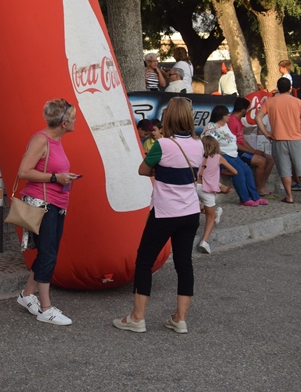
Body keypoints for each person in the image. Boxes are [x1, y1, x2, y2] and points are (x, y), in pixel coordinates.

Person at [113, 97, 202, 334]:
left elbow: (143, 169)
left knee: (144, 261)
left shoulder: (162, 144)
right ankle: (180, 319)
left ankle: (137, 317)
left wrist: (159, 170)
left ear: (168, 117)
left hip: (165, 212)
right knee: (184, 263)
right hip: (191, 211)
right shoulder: (199, 144)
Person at [14, 99, 82, 326]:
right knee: (48, 254)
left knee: (48, 252)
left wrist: (63, 177)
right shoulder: (41, 139)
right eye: (73, 118)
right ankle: (45, 307)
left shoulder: (55, 140)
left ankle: (27, 295)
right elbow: (24, 171)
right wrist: (56, 178)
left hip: (56, 203)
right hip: (43, 204)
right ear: (64, 123)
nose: (75, 121)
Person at [203, 105, 265, 206]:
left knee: (247, 171)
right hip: (223, 155)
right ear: (221, 116)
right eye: (226, 114)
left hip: (234, 155)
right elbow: (208, 143)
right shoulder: (211, 127)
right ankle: (245, 199)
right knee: (238, 172)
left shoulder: (225, 125)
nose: (229, 116)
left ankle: (255, 197)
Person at [256, 77, 301, 203]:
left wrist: (266, 133)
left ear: (278, 89)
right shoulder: (297, 102)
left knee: (284, 169)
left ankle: (289, 196)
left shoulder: (270, 102)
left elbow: (258, 118)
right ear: (290, 88)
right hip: (296, 139)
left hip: (278, 139)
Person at [196, 135, 236, 253]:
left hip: (194, 187)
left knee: (196, 209)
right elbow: (234, 171)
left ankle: (217, 213)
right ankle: (205, 241)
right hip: (208, 189)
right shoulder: (219, 158)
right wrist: (221, 172)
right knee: (210, 217)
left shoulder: (196, 156)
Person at [227, 97, 274, 196]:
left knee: (270, 159)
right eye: (247, 109)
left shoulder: (238, 120)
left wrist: (253, 150)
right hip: (236, 152)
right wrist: (253, 152)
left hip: (242, 149)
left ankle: (261, 186)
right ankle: (259, 188)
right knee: (261, 161)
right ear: (243, 110)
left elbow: (242, 139)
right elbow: (234, 143)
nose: (248, 111)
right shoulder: (231, 121)